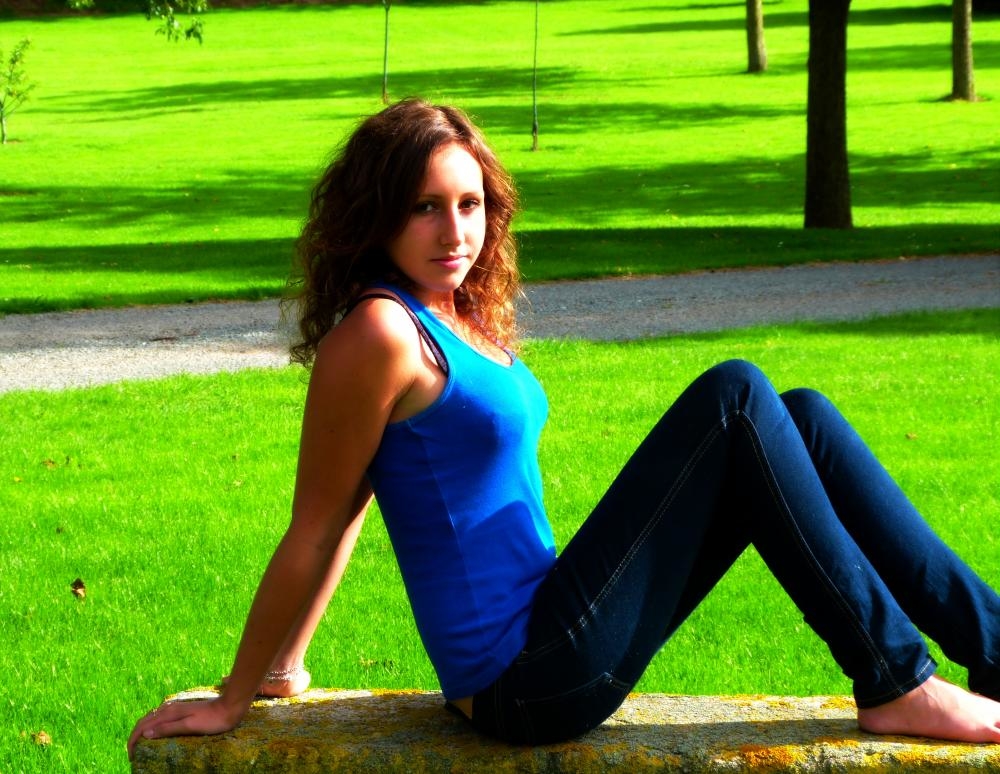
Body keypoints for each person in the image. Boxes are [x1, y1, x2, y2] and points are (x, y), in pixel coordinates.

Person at [128, 98, 1000, 758]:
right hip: (525, 679)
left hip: (554, 635)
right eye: (425, 207)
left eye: (469, 204)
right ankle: (894, 677)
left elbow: (356, 504)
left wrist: (287, 666)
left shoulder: (453, 316)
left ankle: (993, 650)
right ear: (377, 213)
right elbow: (321, 520)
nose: (454, 231)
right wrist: (237, 695)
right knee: (735, 399)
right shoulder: (381, 332)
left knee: (794, 417)